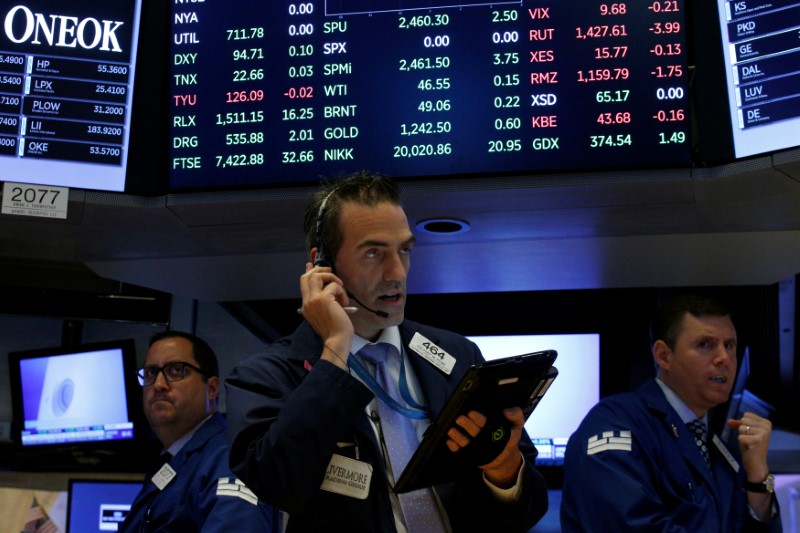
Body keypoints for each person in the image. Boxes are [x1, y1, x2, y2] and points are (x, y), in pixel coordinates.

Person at [225, 172, 549, 531]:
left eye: (405, 250)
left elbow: (528, 507)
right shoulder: (267, 374)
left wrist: (504, 471)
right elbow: (276, 483)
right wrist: (335, 349)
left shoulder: (456, 355)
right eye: (373, 253)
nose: (396, 273)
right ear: (322, 264)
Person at [560, 293, 781, 532]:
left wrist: (758, 478)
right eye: (705, 344)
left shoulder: (719, 447)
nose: (724, 358)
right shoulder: (615, 424)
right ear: (664, 356)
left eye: (729, 345)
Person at [121, 331, 278, 532]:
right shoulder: (171, 460)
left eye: (176, 370)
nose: (159, 384)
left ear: (212, 388)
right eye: (151, 372)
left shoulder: (231, 459)